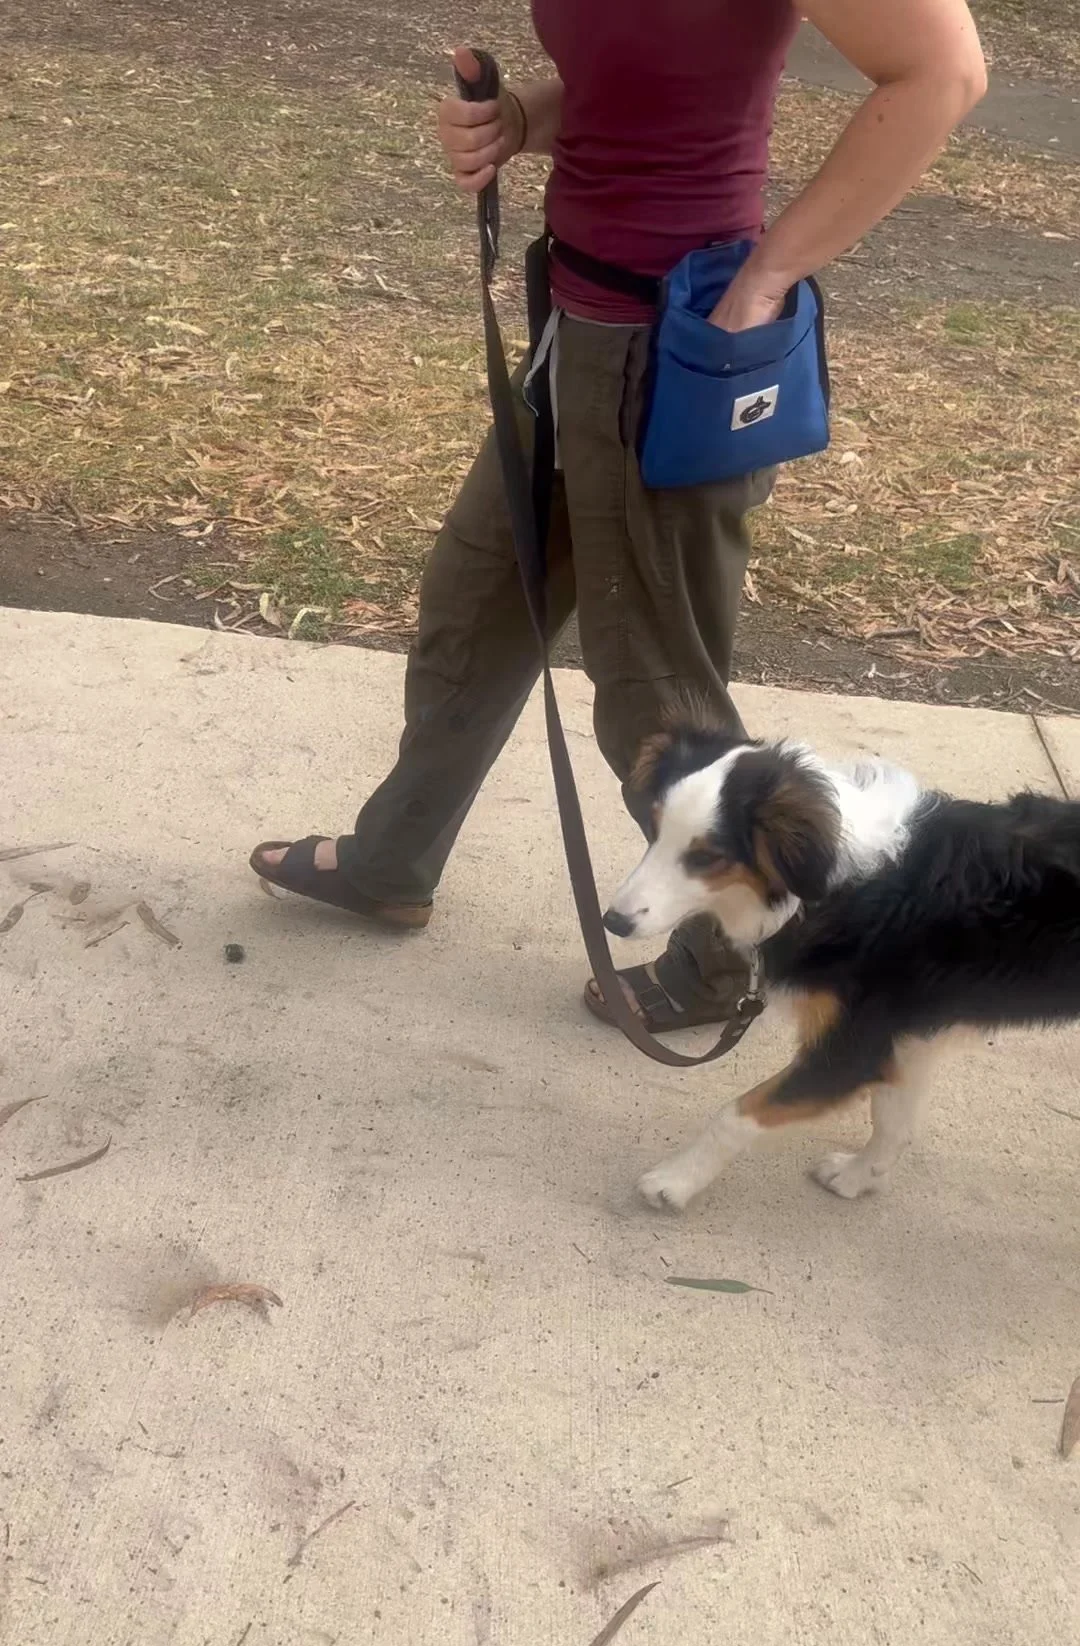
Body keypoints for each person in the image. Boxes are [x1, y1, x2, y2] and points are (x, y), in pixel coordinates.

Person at [251, 0, 985, 1035]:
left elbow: (942, 73)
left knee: (653, 696)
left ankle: (727, 962)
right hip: (577, 325)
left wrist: (768, 274)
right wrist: (521, 118)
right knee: (474, 609)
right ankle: (391, 862)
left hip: (673, 355)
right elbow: (649, 77)